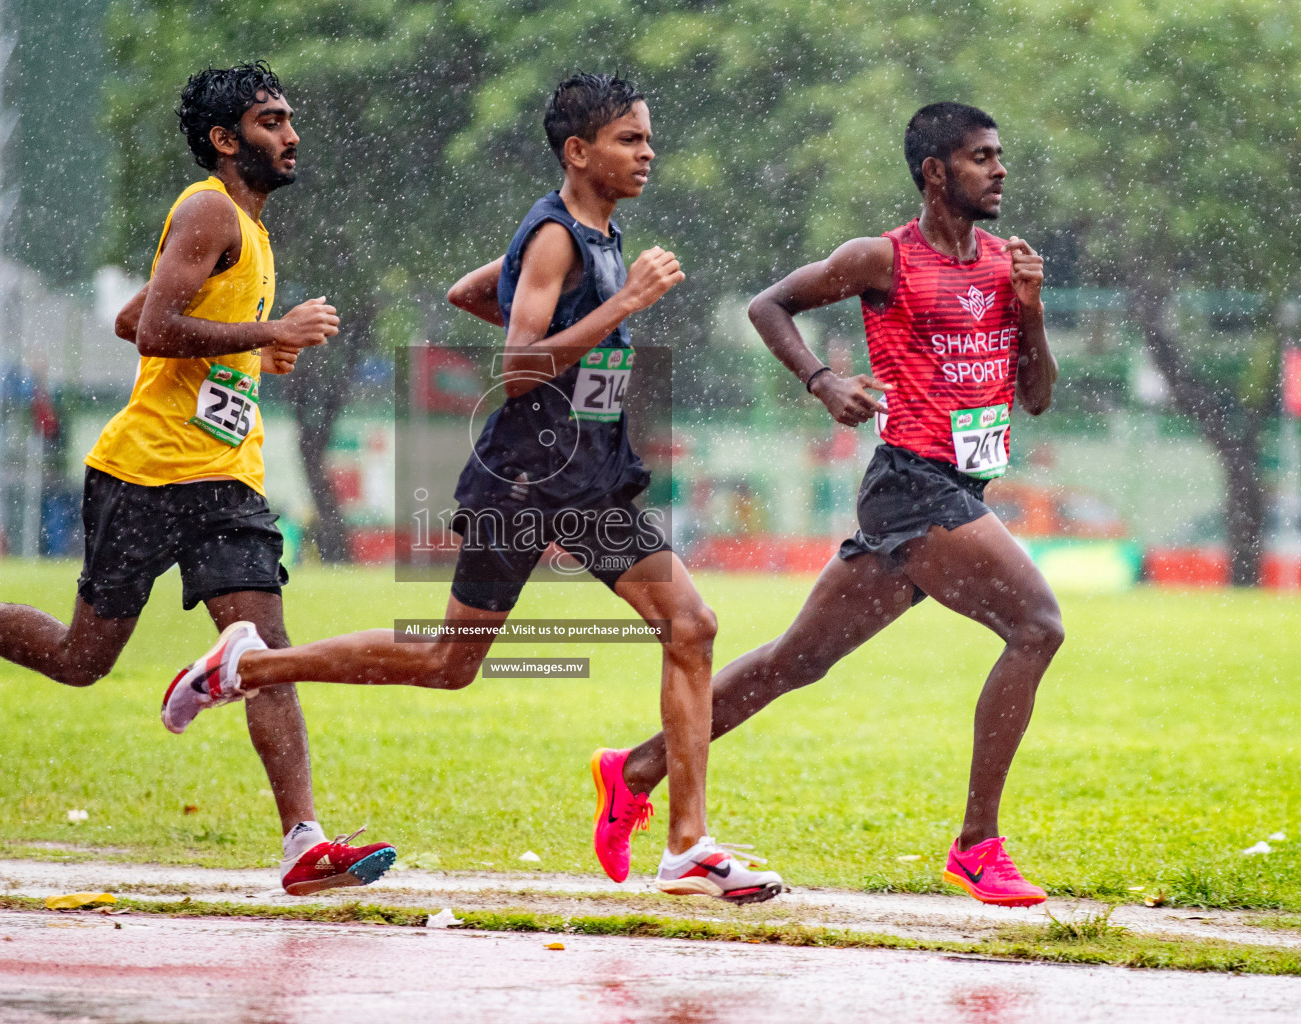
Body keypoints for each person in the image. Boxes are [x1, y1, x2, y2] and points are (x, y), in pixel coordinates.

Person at [161, 73, 783, 905]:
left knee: (691, 625)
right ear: (579, 151)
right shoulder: (561, 237)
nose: (648, 152)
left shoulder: (594, 234)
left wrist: (587, 324)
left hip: (589, 481)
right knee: (448, 662)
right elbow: (521, 368)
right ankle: (253, 665)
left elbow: (469, 293)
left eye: (646, 138)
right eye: (630, 139)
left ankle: (687, 847)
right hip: (524, 482)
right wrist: (622, 306)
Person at [0, 62, 394, 896]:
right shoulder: (208, 207)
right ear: (227, 141)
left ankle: (304, 840)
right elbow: (152, 327)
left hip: (228, 477)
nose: (292, 135)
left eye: (291, 119)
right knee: (81, 657)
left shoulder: (254, 232)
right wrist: (272, 327)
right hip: (146, 473)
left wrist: (249, 345)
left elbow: (133, 315)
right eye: (271, 122)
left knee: (270, 648)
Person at [595, 102, 1063, 907]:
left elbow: (1040, 396)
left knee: (793, 663)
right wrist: (822, 380)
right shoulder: (882, 258)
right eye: (984, 157)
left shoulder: (1003, 266)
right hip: (914, 486)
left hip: (954, 491)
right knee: (1036, 627)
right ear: (935, 172)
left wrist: (1031, 308)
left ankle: (633, 769)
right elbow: (767, 304)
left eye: (1001, 155)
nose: (1001, 170)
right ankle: (978, 846)